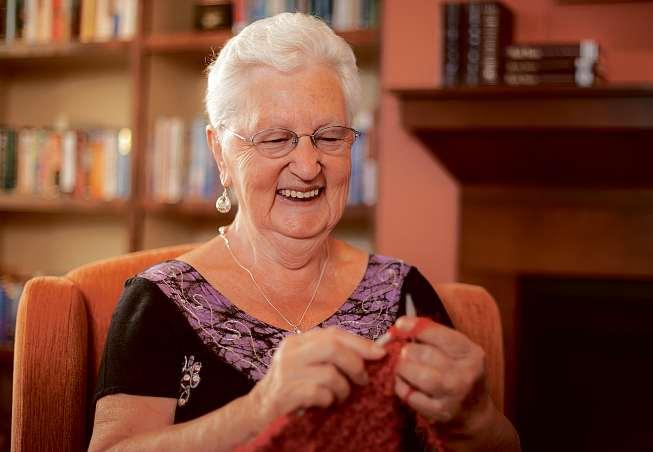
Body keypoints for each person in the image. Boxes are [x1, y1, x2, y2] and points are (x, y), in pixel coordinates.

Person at [89, 12, 519, 451]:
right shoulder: (160, 301)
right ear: (219, 153)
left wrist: (475, 416)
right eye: (276, 139)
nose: (309, 166)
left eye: (329, 137)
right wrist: (259, 409)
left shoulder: (402, 290)